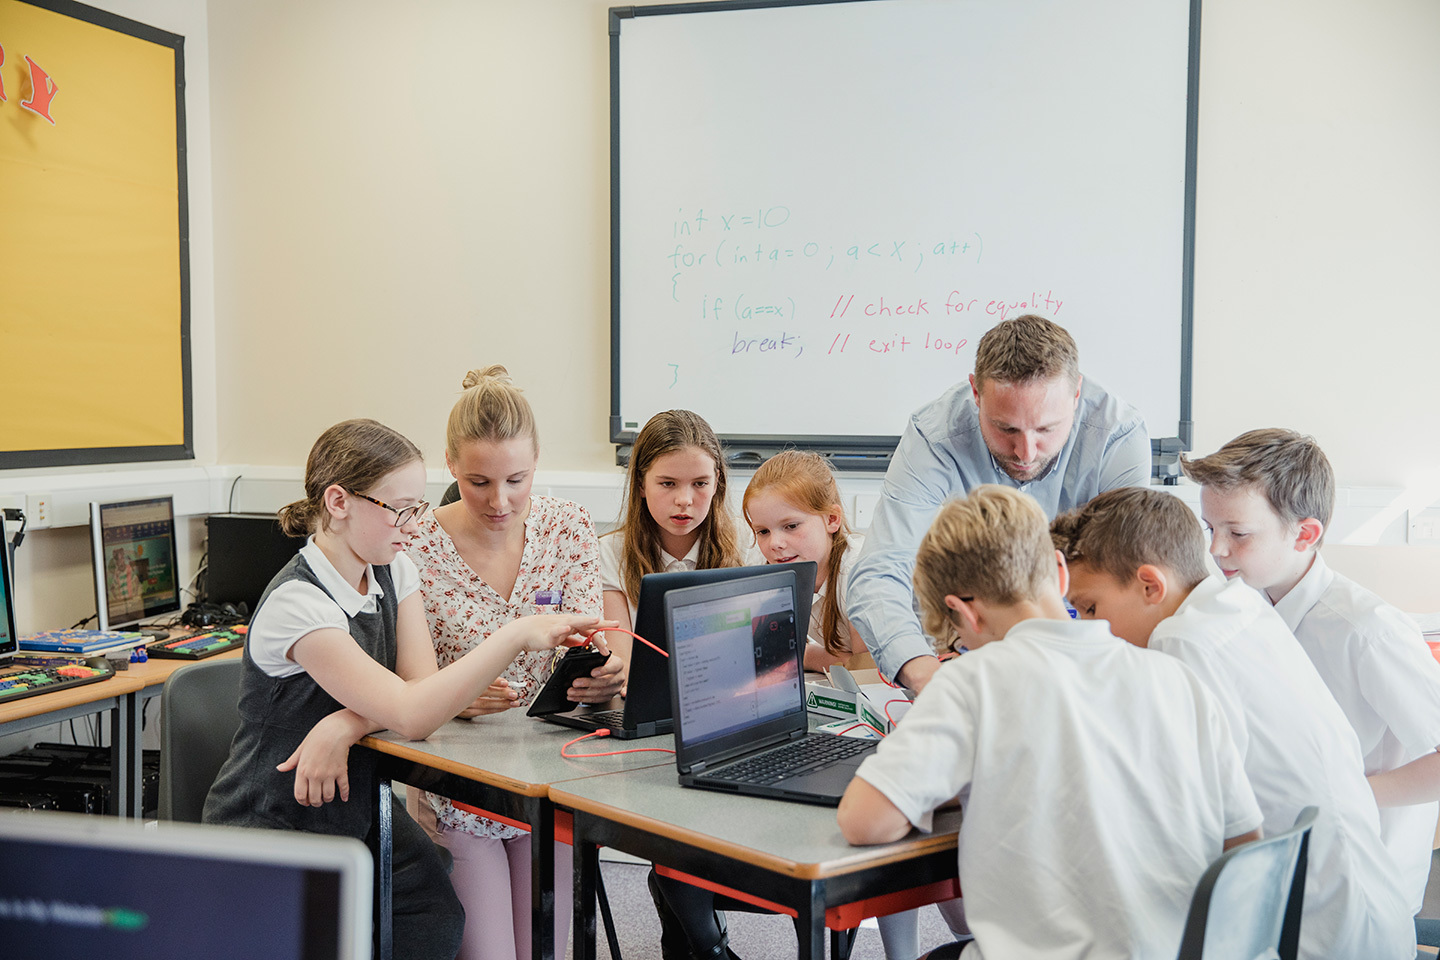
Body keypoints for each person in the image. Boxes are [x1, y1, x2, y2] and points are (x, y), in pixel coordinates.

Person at [202, 418, 609, 960]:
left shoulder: (394, 571)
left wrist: (346, 722)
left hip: (358, 809)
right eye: (400, 510)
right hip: (276, 821)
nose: (414, 526)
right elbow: (414, 711)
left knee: (434, 919)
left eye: (418, 508)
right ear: (339, 502)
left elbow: (421, 691)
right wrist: (513, 636)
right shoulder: (299, 606)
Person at [838, 486, 1262, 960]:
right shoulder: (1177, 677)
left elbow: (864, 821)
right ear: (1060, 573)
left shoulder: (971, 682)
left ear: (963, 612)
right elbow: (1245, 842)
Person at [1052, 486, 1415, 960]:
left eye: (1092, 609)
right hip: (1368, 913)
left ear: (1149, 585)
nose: (1091, 628)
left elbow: (1179, 815)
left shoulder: (1182, 642)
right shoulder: (1241, 608)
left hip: (1312, 935)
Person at [404, 366, 626, 960]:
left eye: (516, 480)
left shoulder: (569, 526)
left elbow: (588, 648)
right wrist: (456, 696)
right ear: (449, 464)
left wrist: (604, 677)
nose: (499, 501)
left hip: (552, 776)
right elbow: (409, 687)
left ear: (537, 465)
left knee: (547, 950)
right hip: (461, 786)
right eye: (477, 481)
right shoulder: (414, 548)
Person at [1182, 428, 1440, 916]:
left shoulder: (1367, 631)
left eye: (1237, 533)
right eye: (1208, 528)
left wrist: (1344, 796)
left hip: (1359, 886)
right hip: (1287, 871)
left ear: (1304, 533)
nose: (1216, 550)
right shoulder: (1242, 609)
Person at [846, 314, 1150, 693]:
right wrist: (921, 669)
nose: (1025, 452)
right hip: (971, 650)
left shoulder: (1118, 436)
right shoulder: (935, 435)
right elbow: (880, 571)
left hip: (1083, 657)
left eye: (1046, 429)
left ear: (1076, 395)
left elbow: (1126, 579)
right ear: (975, 393)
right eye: (1006, 428)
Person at [600, 408, 747, 664]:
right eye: (668, 483)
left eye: (700, 483)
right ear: (641, 484)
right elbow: (622, 668)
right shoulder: (609, 553)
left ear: (716, 483)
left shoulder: (749, 542)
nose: (684, 500)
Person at [742, 450, 869, 672]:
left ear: (832, 519)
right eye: (763, 531)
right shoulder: (777, 575)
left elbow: (867, 671)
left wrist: (805, 655)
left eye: (791, 526)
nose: (775, 543)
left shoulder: (858, 572)